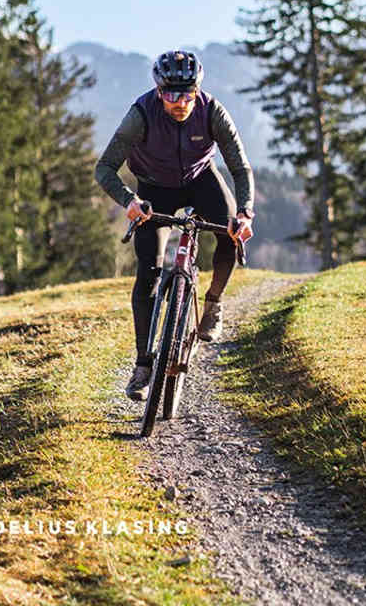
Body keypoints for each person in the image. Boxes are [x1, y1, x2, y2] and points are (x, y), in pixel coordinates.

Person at [95, 50, 255, 400]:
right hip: (153, 187)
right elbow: (104, 168)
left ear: (197, 91)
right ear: (157, 91)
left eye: (187, 94)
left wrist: (244, 212)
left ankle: (213, 303)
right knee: (148, 272)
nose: (180, 102)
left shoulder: (212, 111)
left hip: (201, 179)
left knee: (229, 234)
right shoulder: (140, 115)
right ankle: (142, 366)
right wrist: (130, 201)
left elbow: (241, 168)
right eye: (171, 95)